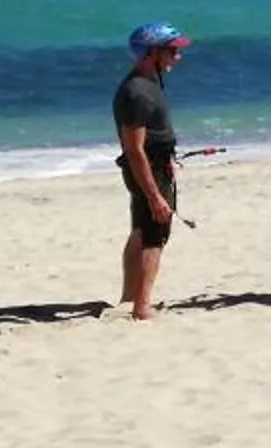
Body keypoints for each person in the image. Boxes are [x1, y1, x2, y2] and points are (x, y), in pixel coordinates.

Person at [114, 22, 190, 321]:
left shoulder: (150, 83)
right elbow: (134, 149)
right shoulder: (137, 92)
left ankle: (129, 298)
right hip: (146, 171)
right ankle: (142, 307)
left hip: (156, 166)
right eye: (172, 51)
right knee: (154, 237)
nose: (177, 57)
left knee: (140, 232)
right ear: (151, 53)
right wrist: (155, 195)